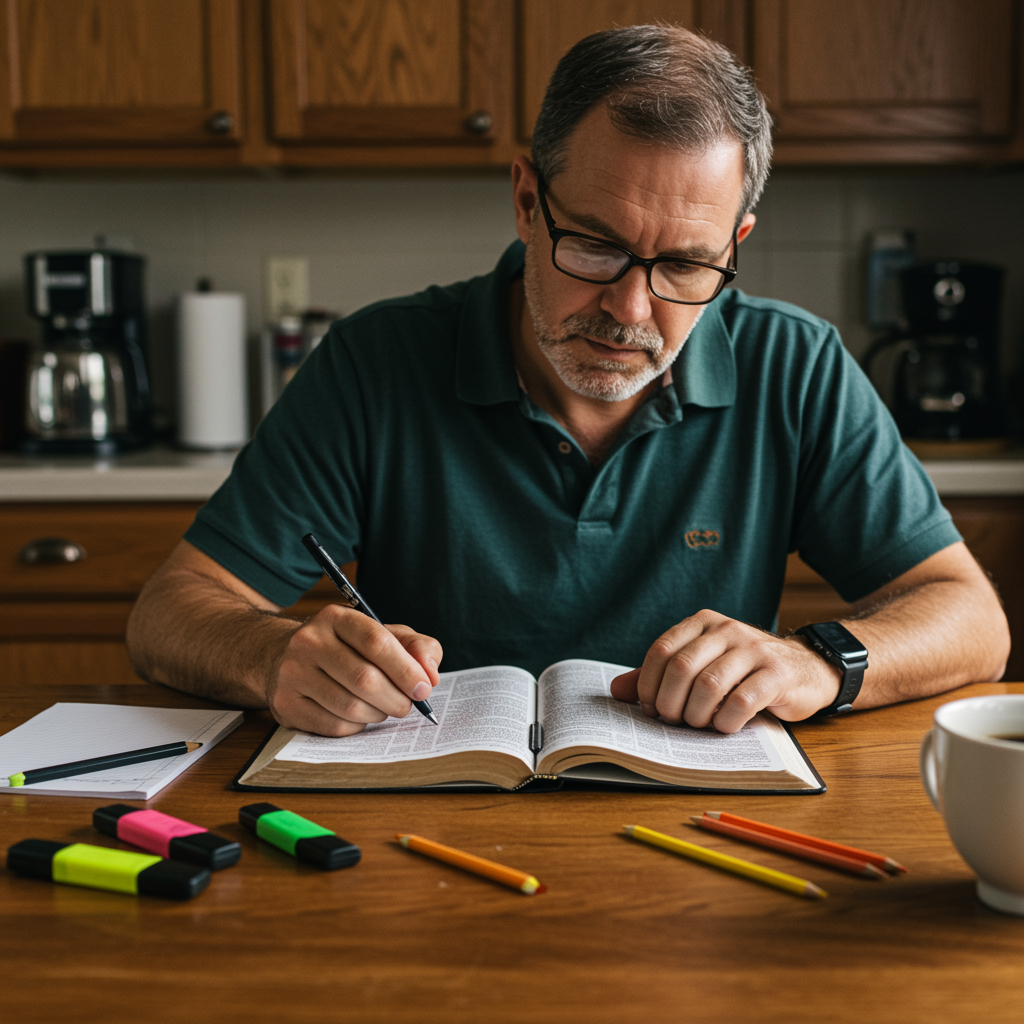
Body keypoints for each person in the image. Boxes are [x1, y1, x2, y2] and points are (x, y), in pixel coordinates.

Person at [127, 25, 1009, 738]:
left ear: (734, 245)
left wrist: (817, 662)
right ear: (526, 200)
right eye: (594, 245)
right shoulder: (376, 360)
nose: (630, 309)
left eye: (685, 266)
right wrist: (271, 655)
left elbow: (972, 619)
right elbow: (169, 613)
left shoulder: (795, 364)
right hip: (421, 822)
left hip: (707, 831)